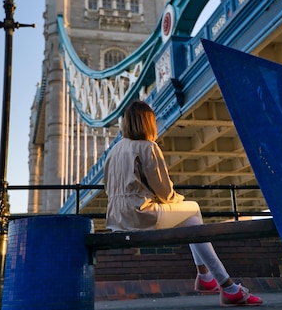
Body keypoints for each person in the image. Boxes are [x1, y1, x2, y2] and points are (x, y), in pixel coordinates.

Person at [104, 100, 263, 307]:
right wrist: (179, 202)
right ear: (148, 123)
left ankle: (216, 282)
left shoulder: (114, 151)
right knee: (193, 209)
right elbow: (164, 192)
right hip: (141, 215)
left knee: (191, 223)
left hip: (116, 218)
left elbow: (109, 188)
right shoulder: (148, 147)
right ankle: (217, 282)